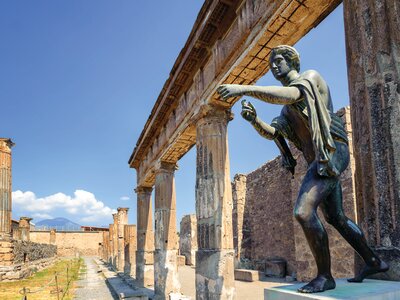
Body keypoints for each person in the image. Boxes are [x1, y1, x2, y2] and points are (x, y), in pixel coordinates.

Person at [217, 45, 388, 293]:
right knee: (336, 218)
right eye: (270, 64)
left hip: (330, 153)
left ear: (292, 61)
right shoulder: (286, 111)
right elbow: (274, 132)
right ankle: (374, 261)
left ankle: (325, 276)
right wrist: (255, 121)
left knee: (303, 212)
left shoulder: (310, 78)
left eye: (278, 61)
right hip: (320, 160)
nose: (273, 66)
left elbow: (291, 95)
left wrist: (243, 88)